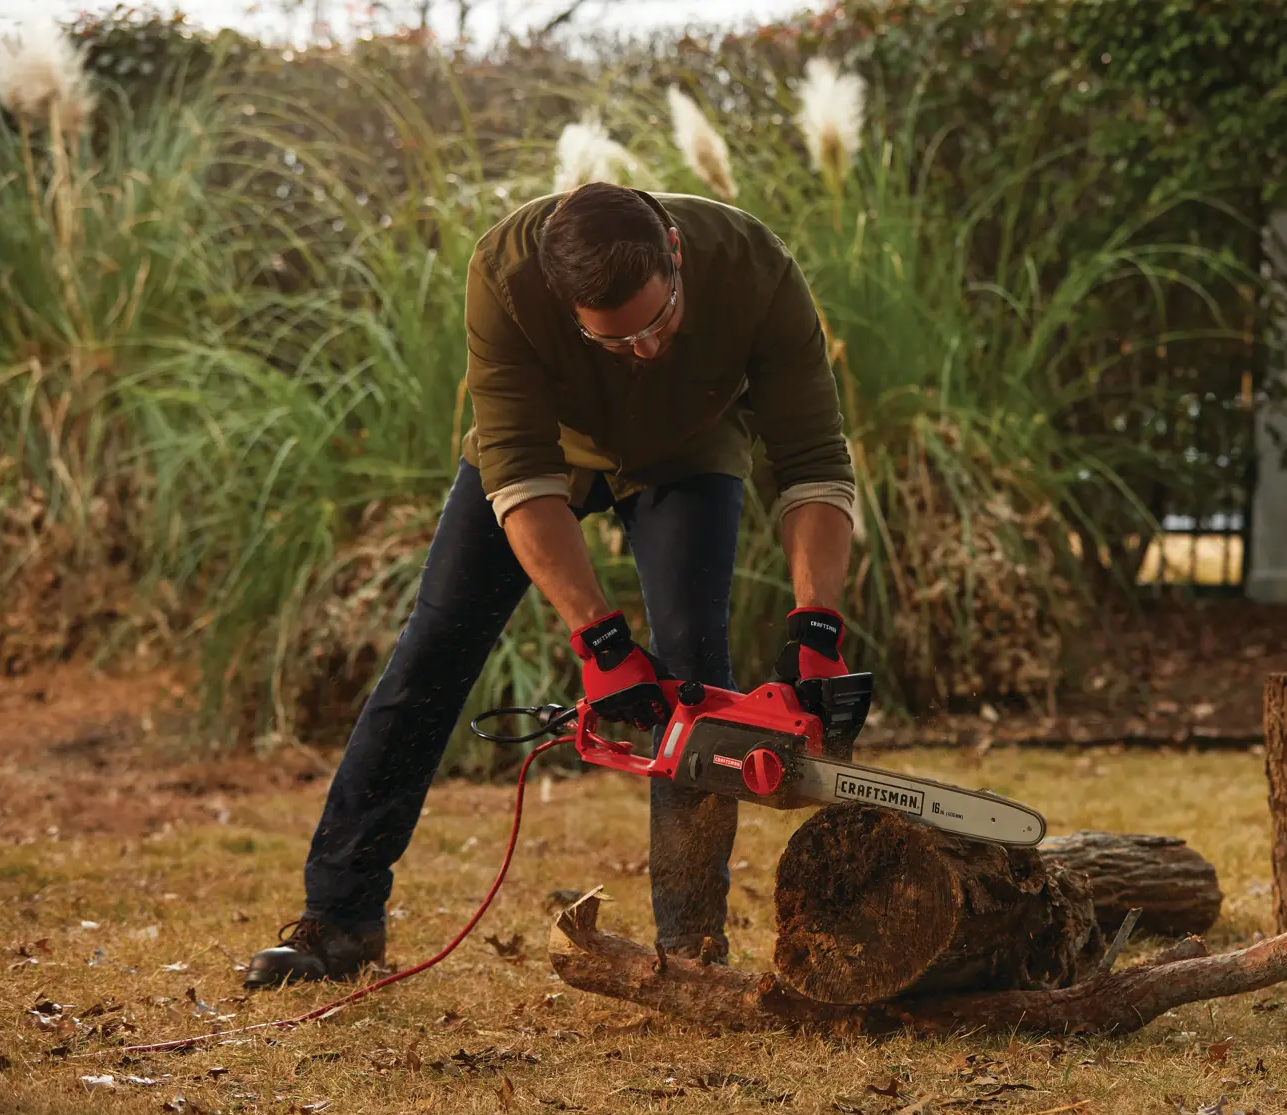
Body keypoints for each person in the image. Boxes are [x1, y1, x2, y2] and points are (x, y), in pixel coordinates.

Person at [243, 182, 857, 988]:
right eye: (614, 339)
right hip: (544, 458)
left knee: (695, 681)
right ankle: (340, 921)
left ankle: (692, 950)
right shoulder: (504, 273)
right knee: (431, 654)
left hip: (688, 452)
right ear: (565, 305)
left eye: (658, 322)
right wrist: (599, 639)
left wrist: (818, 629)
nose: (642, 349)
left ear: (673, 254)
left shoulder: (753, 266)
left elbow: (812, 462)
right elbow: (522, 475)